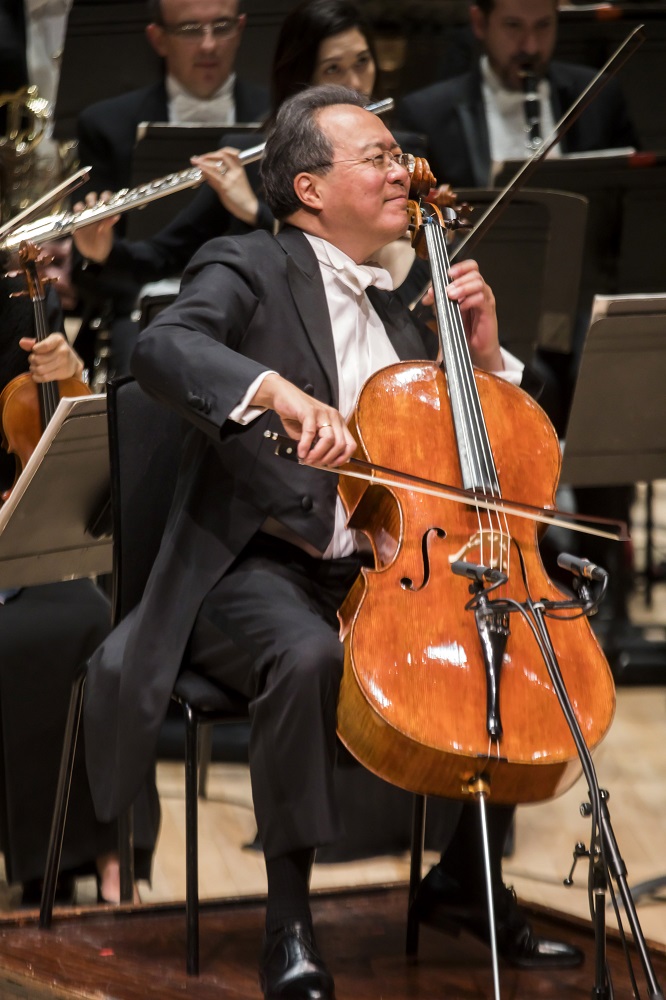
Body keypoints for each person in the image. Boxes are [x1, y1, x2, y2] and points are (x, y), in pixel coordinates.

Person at [83, 85, 582, 998]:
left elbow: (484, 460)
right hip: (252, 567)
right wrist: (273, 390)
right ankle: (289, 925)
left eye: (400, 157)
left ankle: (467, 882)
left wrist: (481, 355)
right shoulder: (245, 265)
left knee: (498, 641)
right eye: (380, 158)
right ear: (310, 188)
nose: (404, 171)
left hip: (381, 572)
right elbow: (164, 350)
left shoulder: (403, 309)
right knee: (309, 654)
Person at [71, 0, 417, 298]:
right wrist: (102, 251)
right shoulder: (250, 158)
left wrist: (254, 211)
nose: (355, 83)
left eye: (362, 62)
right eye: (333, 69)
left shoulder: (401, 158)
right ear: (303, 80)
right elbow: (164, 257)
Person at [0, 268, 159, 905]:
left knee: (91, 620)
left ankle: (113, 856)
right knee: (29, 637)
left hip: (14, 539)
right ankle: (51, 870)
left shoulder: (14, 292)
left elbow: (63, 430)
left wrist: (69, 375)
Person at [394, 0, 639, 189]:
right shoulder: (425, 114)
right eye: (513, 25)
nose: (530, 46)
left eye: (543, 25)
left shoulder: (598, 94)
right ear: (480, 23)